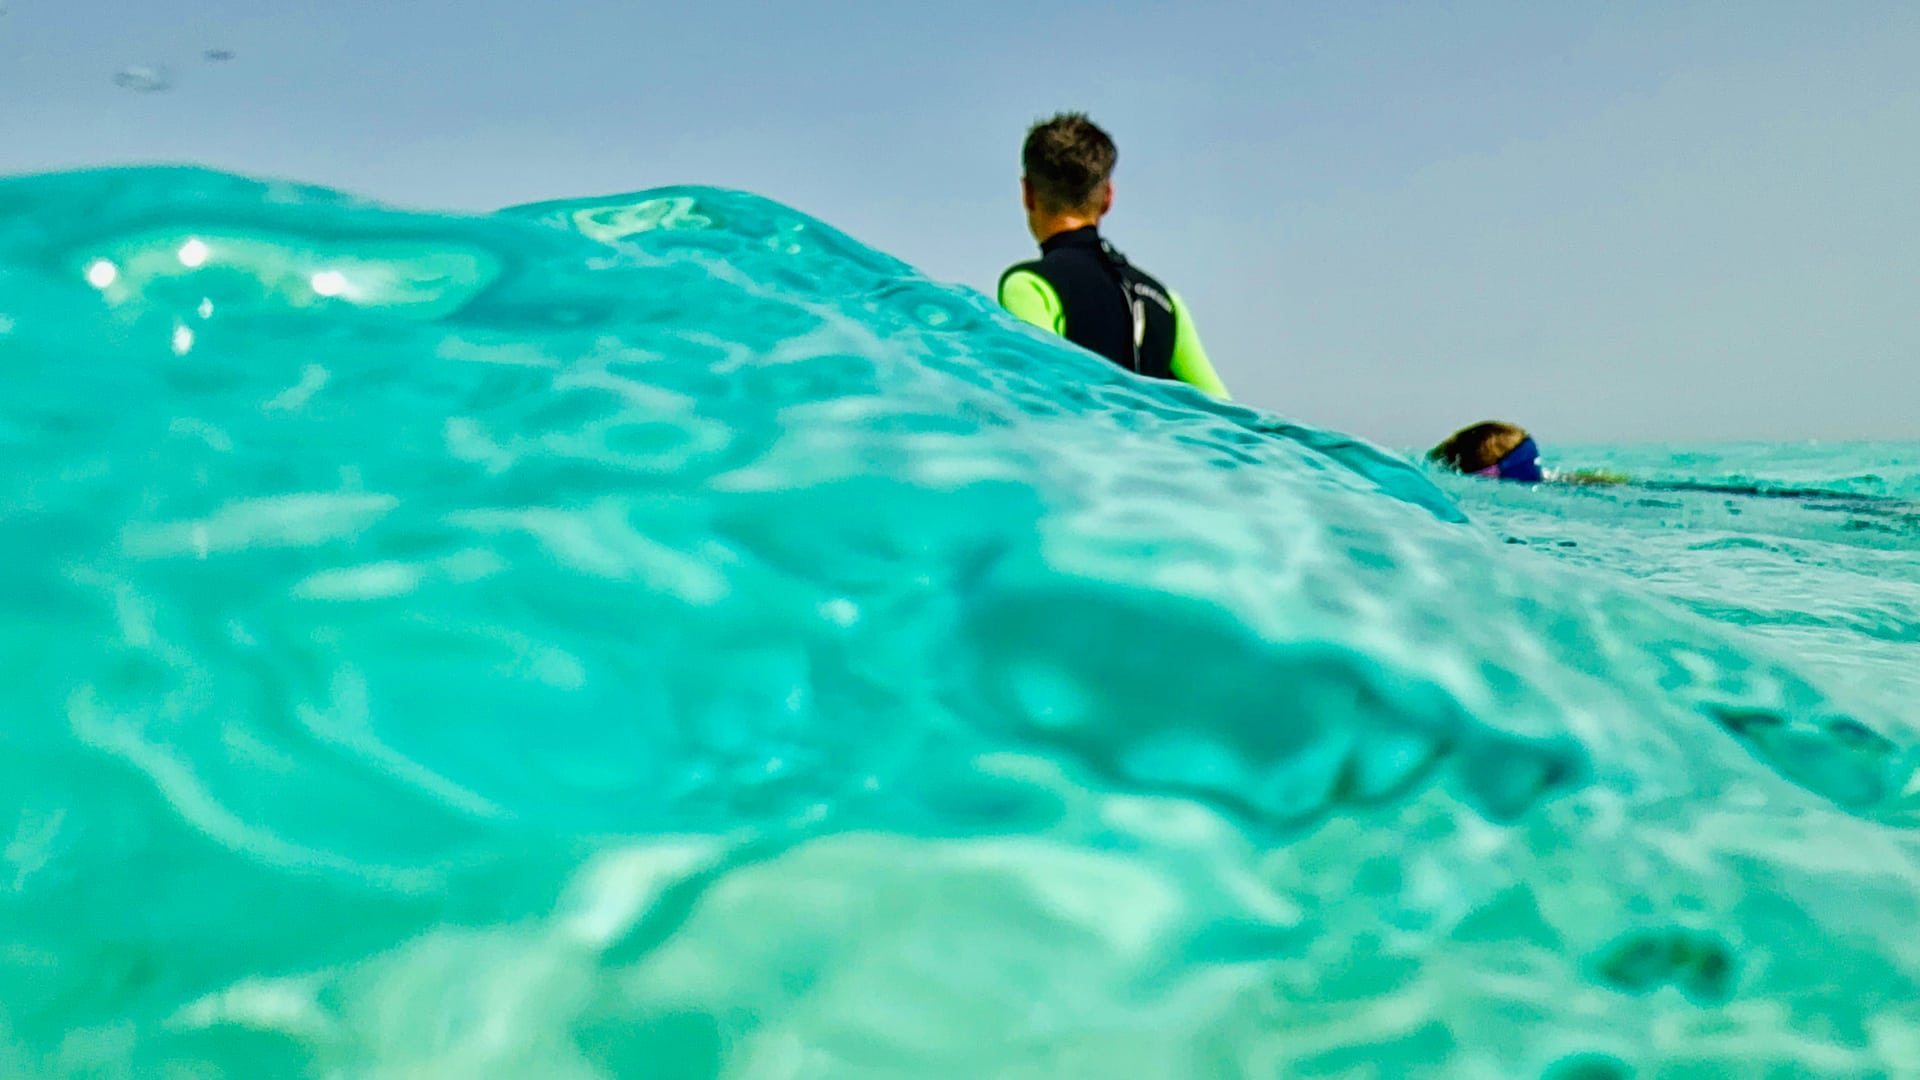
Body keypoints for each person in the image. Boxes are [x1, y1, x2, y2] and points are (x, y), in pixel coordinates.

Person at [996, 112, 1232, 400]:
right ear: (1108, 197)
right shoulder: (1166, 303)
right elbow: (1226, 412)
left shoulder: (1029, 286)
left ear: (1027, 193)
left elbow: (1040, 398)